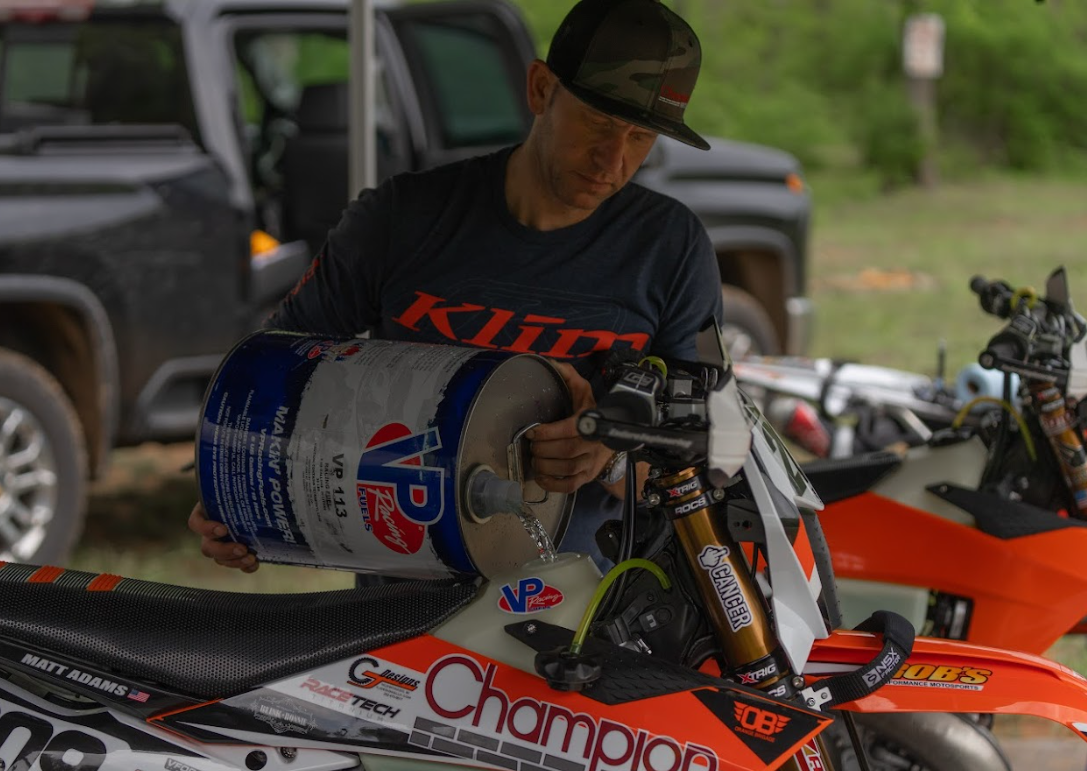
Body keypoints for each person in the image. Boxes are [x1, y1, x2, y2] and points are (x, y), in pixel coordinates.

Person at [191, 0, 722, 574]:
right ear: (541, 89)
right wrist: (231, 497)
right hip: (405, 605)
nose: (613, 161)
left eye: (641, 138)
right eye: (598, 122)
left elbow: (708, 451)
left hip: (579, 610)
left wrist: (612, 456)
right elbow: (269, 376)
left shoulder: (671, 248)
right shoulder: (401, 219)